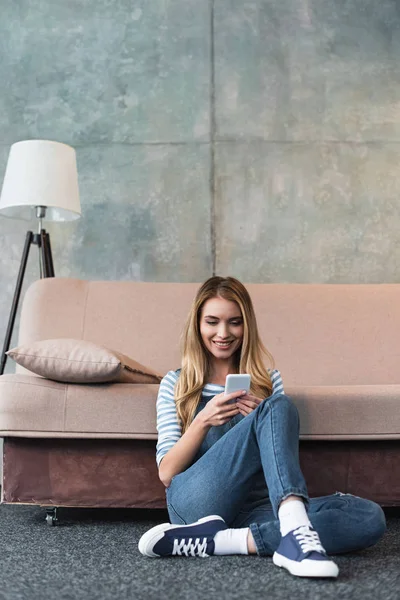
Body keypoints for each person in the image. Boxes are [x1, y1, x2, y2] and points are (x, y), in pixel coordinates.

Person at [138, 276, 386, 578]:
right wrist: (203, 420)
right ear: (197, 325)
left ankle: (233, 540)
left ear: (247, 326)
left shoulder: (268, 382)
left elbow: (279, 463)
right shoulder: (175, 383)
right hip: (197, 504)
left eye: (234, 322)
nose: (223, 333)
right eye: (212, 322)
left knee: (368, 517)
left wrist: (262, 419)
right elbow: (166, 474)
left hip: (259, 507)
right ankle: (293, 537)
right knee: (277, 407)